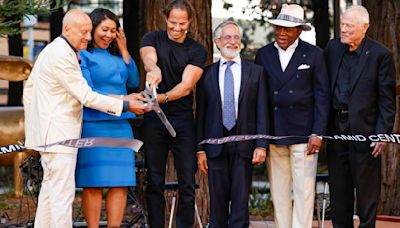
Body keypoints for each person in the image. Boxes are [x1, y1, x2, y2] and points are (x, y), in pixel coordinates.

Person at [23, 9, 148, 228]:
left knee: (50, 195)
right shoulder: (64, 55)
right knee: (61, 197)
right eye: (84, 31)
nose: (88, 37)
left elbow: (29, 91)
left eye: (89, 32)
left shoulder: (55, 50)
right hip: (58, 134)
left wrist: (38, 121)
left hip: (51, 133)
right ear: (67, 28)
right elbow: (87, 95)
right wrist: (126, 104)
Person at [255, 4, 330, 228]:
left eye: (288, 29)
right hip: (275, 134)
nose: (281, 33)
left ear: (299, 30)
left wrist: (318, 132)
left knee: (304, 192)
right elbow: (259, 99)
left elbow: (322, 96)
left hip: (305, 136)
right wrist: (262, 137)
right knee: (278, 193)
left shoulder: (314, 54)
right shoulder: (264, 54)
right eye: (278, 28)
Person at [324, 5, 396, 227]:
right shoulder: (332, 48)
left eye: (349, 26)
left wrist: (382, 134)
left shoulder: (380, 55)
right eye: (342, 24)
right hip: (336, 131)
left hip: (365, 134)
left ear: (364, 28)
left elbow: (387, 99)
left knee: (366, 197)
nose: (343, 29)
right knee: (339, 194)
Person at [139, 0, 207, 227]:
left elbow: (187, 85)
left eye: (182, 24)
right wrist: (153, 69)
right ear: (165, 19)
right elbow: (149, 59)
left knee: (187, 181)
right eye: (172, 23)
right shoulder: (152, 39)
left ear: (189, 23)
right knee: (155, 180)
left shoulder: (197, 50)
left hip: (183, 121)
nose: (176, 28)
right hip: (153, 120)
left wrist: (163, 98)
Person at [196, 20, 268, 227]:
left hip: (244, 146)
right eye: (227, 37)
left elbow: (262, 110)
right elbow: (201, 114)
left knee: (240, 204)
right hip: (214, 146)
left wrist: (261, 145)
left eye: (236, 37)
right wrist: (200, 149)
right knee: (217, 207)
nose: (233, 41)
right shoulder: (206, 74)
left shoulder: (256, 72)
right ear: (217, 42)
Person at [73, 8, 141, 228]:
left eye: (113, 30)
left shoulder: (118, 57)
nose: (108, 35)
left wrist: (124, 50)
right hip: (94, 125)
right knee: (93, 184)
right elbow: (89, 93)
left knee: (120, 184)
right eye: (104, 29)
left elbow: (133, 81)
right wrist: (125, 100)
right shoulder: (82, 56)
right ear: (92, 28)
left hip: (121, 126)